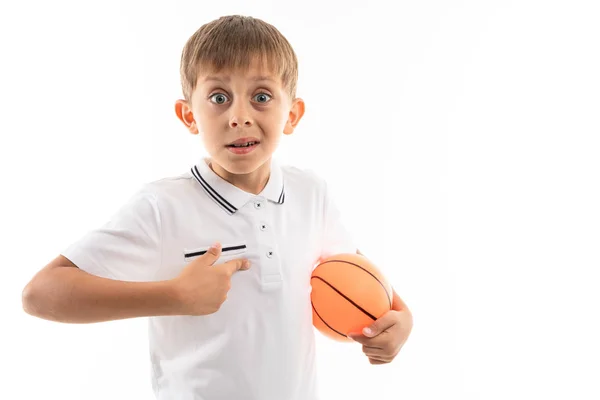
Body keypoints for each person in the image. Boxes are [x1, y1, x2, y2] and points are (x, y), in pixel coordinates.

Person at [22, 15, 413, 400]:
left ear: (291, 114)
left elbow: (363, 277)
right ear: (189, 115)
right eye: (218, 98)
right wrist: (173, 296)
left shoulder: (311, 194)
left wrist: (401, 319)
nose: (239, 117)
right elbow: (40, 294)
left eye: (261, 97)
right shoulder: (163, 206)